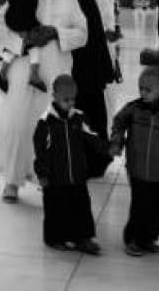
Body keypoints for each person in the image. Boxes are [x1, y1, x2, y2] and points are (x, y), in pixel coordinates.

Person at [0, 0, 88, 203]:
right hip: (24, 71)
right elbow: (0, 25)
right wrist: (23, 38)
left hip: (55, 73)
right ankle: (12, 181)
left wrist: (56, 32)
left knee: (51, 131)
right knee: (17, 125)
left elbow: (83, 34)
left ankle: (46, 179)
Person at [109, 66, 159, 256]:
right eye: (141, 88)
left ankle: (149, 238)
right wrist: (117, 142)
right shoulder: (134, 109)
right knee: (140, 204)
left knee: (155, 206)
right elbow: (118, 122)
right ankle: (133, 239)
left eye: (148, 89)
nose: (143, 92)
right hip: (137, 167)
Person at [33, 74, 105, 255]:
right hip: (55, 177)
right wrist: (42, 173)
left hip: (77, 175)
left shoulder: (78, 118)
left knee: (81, 207)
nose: (70, 103)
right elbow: (40, 150)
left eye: (73, 99)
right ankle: (55, 238)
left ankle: (83, 238)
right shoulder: (46, 122)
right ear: (54, 95)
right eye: (66, 99)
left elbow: (92, 137)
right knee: (56, 209)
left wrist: (105, 148)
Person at [59, 0, 115, 140]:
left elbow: (97, 37)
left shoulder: (88, 0)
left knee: (96, 112)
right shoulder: (67, 3)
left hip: (92, 69)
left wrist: (105, 68)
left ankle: (98, 153)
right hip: (75, 69)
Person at [0, 0, 52, 94]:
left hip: (13, 25)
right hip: (12, 25)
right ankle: (33, 76)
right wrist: (21, 30)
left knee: (13, 49)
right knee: (33, 47)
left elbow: (27, 14)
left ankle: (2, 73)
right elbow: (14, 15)